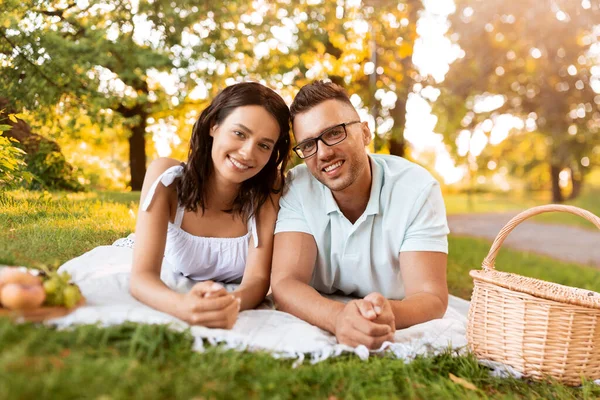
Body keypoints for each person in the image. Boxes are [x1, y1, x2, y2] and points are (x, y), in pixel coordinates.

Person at [271, 81, 449, 349]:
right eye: (308, 145)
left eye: (334, 133)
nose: (323, 153)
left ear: (365, 133)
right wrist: (339, 317)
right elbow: (285, 283)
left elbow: (431, 297)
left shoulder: (417, 189)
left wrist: (389, 314)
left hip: (388, 306)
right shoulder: (297, 186)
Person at [129, 82, 290, 329]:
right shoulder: (166, 179)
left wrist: (228, 303)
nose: (248, 152)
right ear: (214, 125)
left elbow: (257, 280)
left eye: (264, 145)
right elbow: (141, 277)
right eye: (239, 133)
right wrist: (183, 306)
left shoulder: (269, 189)